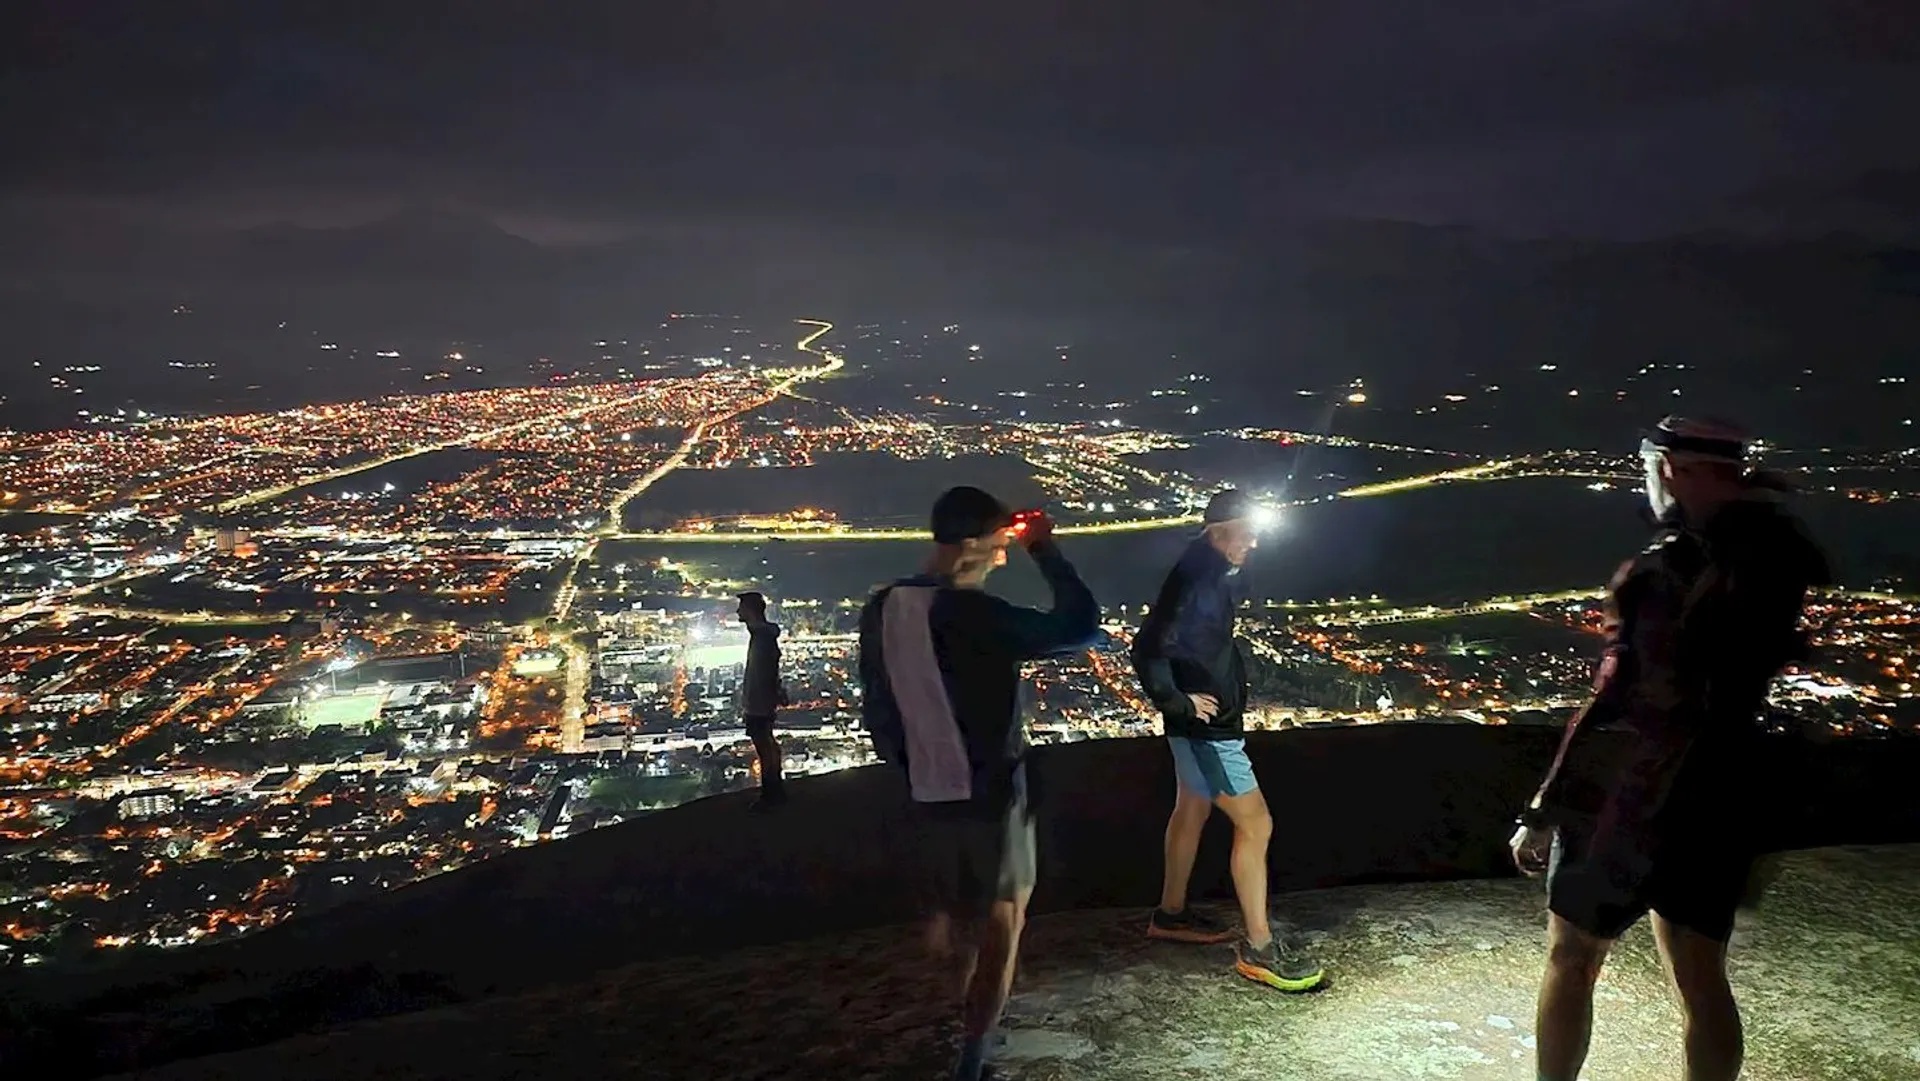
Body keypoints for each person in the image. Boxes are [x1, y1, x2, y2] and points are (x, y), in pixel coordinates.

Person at [1510, 417, 1829, 1081]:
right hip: (1721, 789)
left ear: (1675, 469)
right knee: (1701, 976)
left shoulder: (1659, 572)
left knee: (1573, 956)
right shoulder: (1777, 560)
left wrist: (1546, 802)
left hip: (1630, 796)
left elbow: (1617, 698)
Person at [859, 486, 1101, 1081]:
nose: (1001, 559)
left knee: (953, 916)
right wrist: (1046, 551)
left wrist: (906, 766)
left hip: (924, 791)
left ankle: (958, 1020)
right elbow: (1080, 628)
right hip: (992, 791)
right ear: (968, 545)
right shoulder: (971, 613)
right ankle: (975, 1052)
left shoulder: (883, 606)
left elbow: (877, 703)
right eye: (997, 548)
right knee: (1003, 920)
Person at [1131, 489, 1325, 992]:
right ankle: (1260, 948)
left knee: (1191, 808)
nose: (1255, 542)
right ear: (1219, 531)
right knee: (1256, 824)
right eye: (1247, 532)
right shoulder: (1200, 580)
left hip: (1194, 726)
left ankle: (1170, 915)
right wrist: (1178, 703)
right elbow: (1147, 646)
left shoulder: (1201, 569)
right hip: (1209, 732)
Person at [736, 591, 788, 812]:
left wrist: (767, 694)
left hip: (759, 700)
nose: (738, 611)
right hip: (761, 698)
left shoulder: (762, 637)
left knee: (764, 745)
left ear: (751, 610)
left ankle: (771, 793)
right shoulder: (763, 636)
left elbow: (765, 671)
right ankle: (775, 789)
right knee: (767, 744)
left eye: (741, 607)